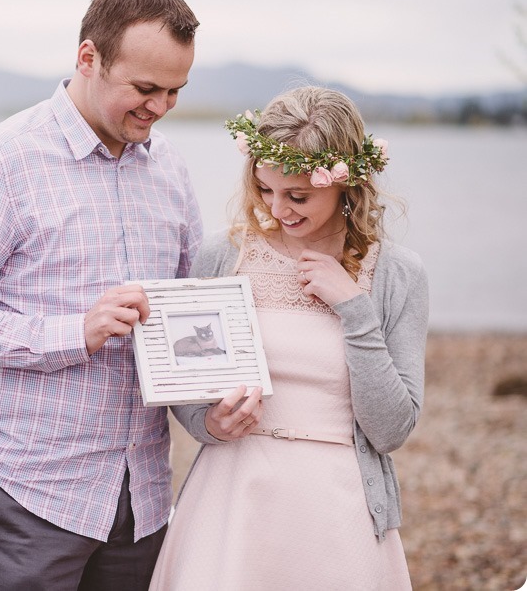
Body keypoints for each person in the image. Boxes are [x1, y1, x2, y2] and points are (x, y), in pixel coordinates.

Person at [0, 0, 210, 588]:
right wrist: (72, 332)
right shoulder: (4, 161)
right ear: (88, 58)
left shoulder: (169, 165)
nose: (161, 106)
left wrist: (218, 396)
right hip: (25, 495)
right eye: (145, 89)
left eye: (175, 91)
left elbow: (189, 309)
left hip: (141, 498)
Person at [150, 86, 428, 590]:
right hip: (232, 497)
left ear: (346, 183)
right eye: (265, 190)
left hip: (339, 505)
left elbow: (391, 430)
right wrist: (209, 421)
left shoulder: (397, 275)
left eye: (298, 195)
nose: (279, 209)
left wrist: (353, 309)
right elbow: (185, 382)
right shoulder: (222, 257)